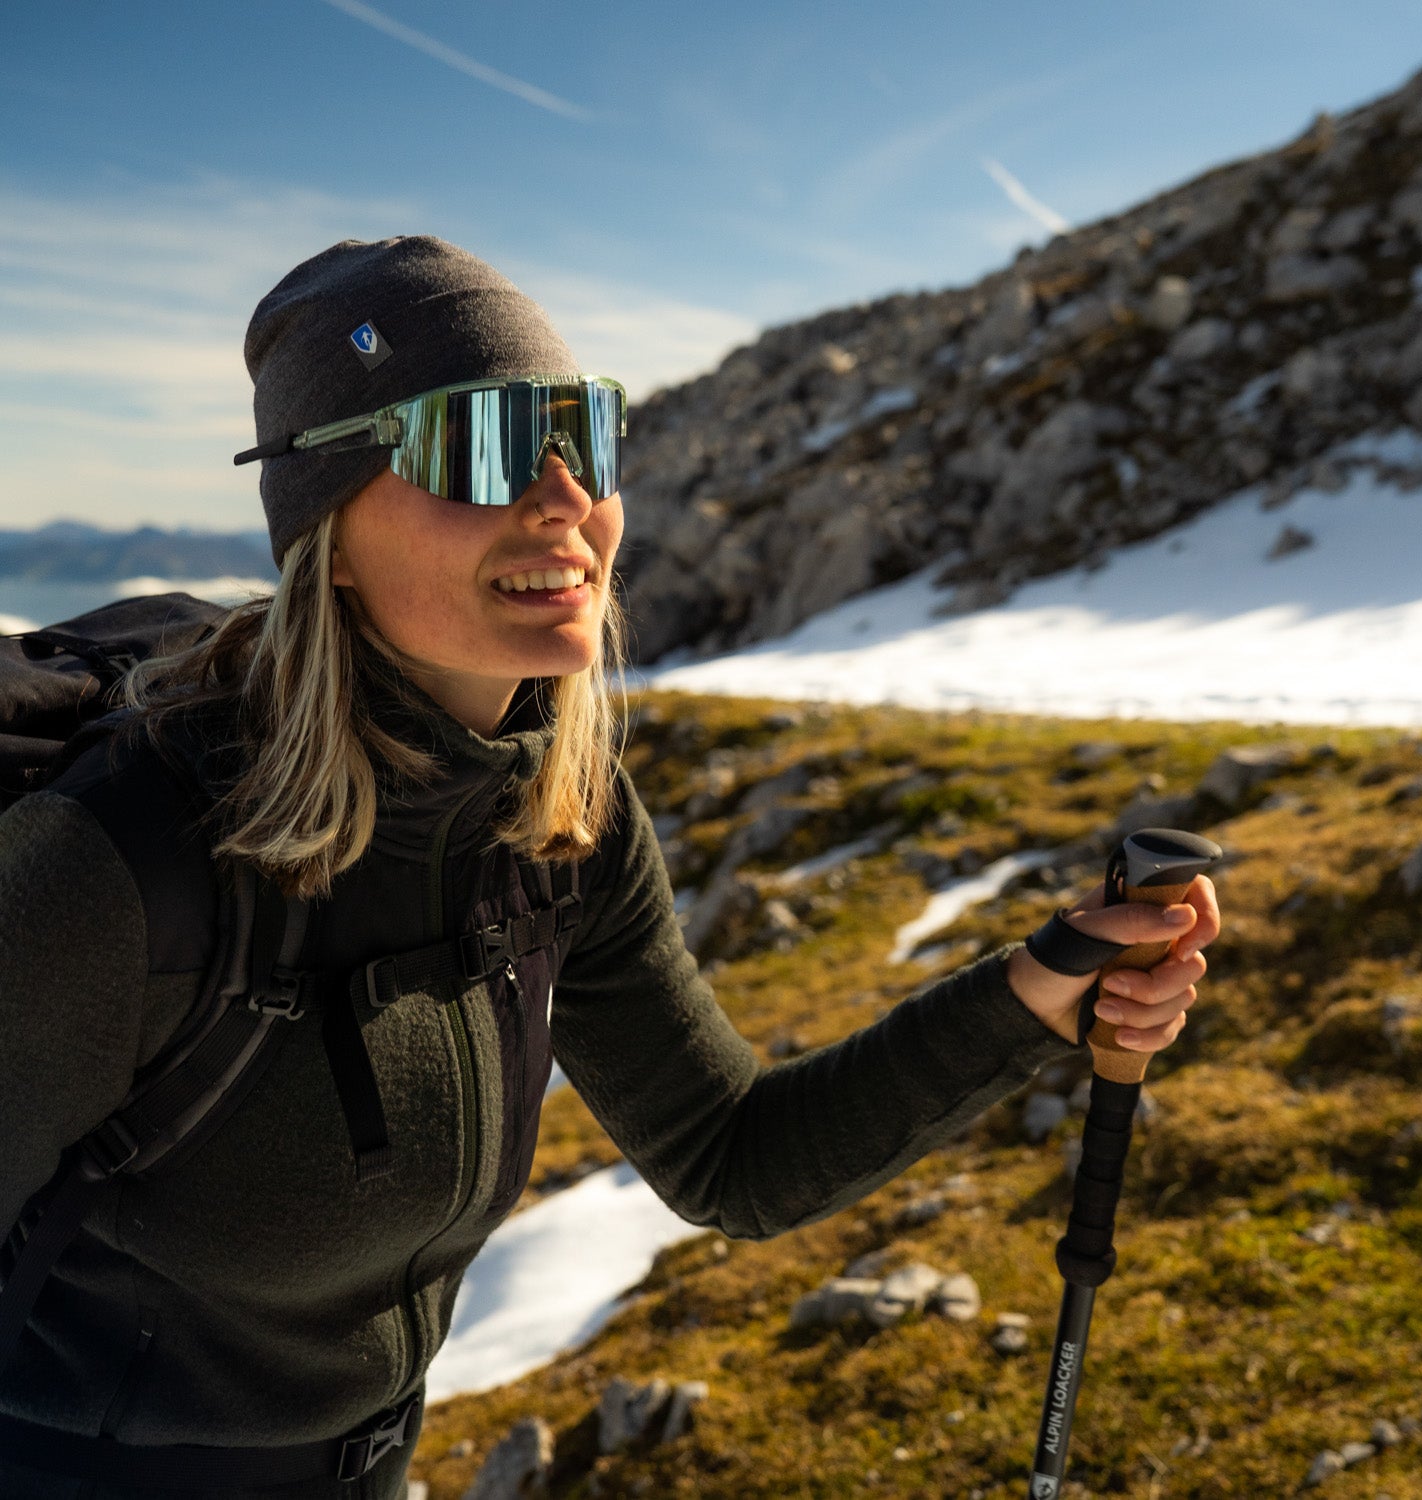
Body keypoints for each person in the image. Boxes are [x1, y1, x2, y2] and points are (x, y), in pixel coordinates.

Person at [0, 236, 1219, 1500]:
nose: (564, 496)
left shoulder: (555, 817)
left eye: (585, 434)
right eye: (482, 445)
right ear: (330, 533)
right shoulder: (123, 867)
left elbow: (732, 1157)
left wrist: (1039, 987)